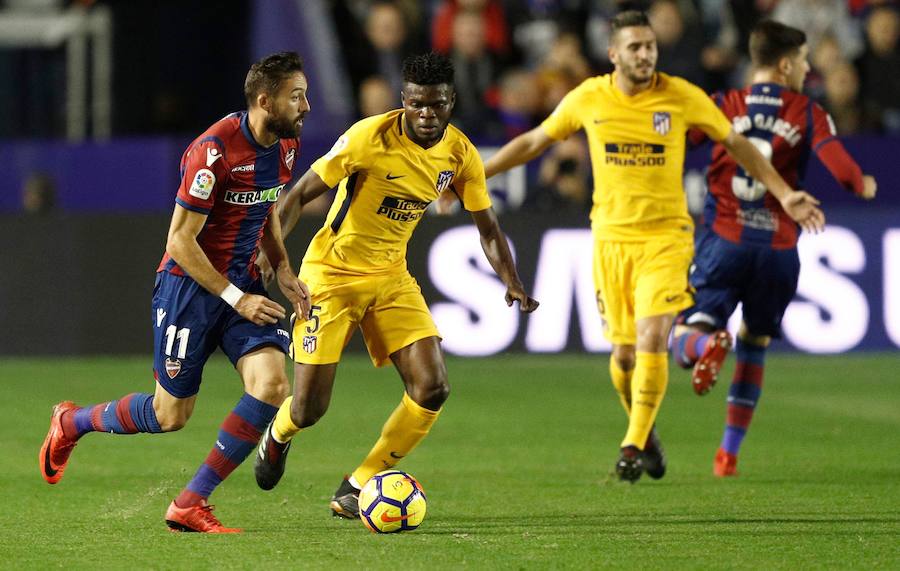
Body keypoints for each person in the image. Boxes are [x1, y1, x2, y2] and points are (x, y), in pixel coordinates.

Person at [470, 10, 825, 483]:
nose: (645, 54)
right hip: (611, 241)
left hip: (667, 238)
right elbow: (537, 140)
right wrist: (477, 174)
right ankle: (647, 432)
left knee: (653, 338)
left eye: (650, 46)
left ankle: (632, 445)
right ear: (614, 53)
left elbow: (737, 143)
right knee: (622, 358)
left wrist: (784, 193)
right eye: (635, 47)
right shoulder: (590, 96)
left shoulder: (681, 96)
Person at [252, 51, 538, 518]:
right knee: (309, 408)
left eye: (438, 105)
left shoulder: (460, 153)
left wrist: (512, 280)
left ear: (451, 102)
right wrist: (275, 257)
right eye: (418, 104)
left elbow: (487, 228)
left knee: (432, 387)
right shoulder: (367, 138)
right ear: (404, 100)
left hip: (391, 278)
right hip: (331, 275)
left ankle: (358, 483)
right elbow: (299, 193)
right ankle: (279, 434)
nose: (427, 115)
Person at [38, 52, 312, 533]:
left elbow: (268, 202)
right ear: (265, 101)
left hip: (243, 284)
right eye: (296, 96)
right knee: (170, 415)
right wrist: (236, 298)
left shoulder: (285, 145)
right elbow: (179, 241)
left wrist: (283, 267)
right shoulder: (214, 152)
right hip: (190, 290)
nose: (306, 106)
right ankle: (71, 422)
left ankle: (190, 502)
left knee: (271, 385)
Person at [669, 20, 877, 477]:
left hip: (724, 241)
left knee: (681, 333)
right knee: (756, 343)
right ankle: (728, 454)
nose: (806, 70)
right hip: (779, 252)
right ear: (785, 65)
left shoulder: (724, 104)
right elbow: (843, 173)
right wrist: (863, 183)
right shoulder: (808, 111)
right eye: (803, 61)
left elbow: (675, 139)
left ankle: (707, 341)